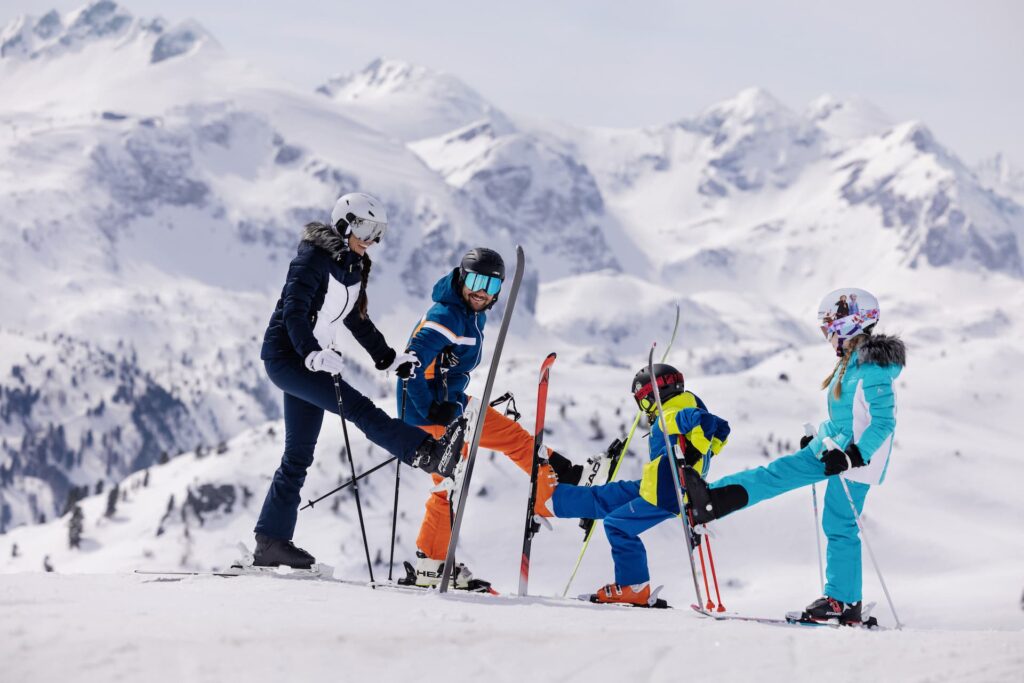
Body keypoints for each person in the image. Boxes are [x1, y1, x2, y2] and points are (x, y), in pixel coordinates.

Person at [254, 192, 469, 568]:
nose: (372, 240)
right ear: (344, 223)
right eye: (367, 229)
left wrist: (388, 359)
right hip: (289, 357)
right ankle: (425, 451)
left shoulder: (353, 266)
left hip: (314, 360)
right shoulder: (311, 260)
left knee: (298, 453)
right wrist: (311, 353)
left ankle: (271, 542)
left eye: (379, 232)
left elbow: (357, 319)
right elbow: (294, 311)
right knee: (359, 408)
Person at [683, 287, 903, 625]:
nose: (827, 336)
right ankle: (710, 500)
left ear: (848, 325)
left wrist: (854, 456)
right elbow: (843, 419)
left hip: (857, 462)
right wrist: (818, 441)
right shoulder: (851, 364)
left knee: (839, 522)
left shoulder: (873, 369)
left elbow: (883, 422)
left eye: (828, 329)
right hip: (834, 451)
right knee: (778, 472)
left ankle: (843, 603)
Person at [397, 247, 582, 591]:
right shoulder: (445, 317)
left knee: (510, 436)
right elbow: (409, 366)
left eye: (492, 285)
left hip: (452, 403)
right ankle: (432, 563)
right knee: (448, 483)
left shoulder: (470, 312)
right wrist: (429, 410)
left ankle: (553, 480)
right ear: (461, 277)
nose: (482, 291)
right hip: (430, 413)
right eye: (476, 280)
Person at [532, 363, 730, 607]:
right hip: (658, 483)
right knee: (606, 497)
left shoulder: (670, 414)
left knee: (618, 525)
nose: (644, 409)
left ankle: (634, 587)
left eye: (643, 401)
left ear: (652, 395)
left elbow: (705, 422)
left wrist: (696, 454)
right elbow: (722, 427)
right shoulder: (686, 404)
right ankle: (552, 501)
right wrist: (705, 451)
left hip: (668, 491)